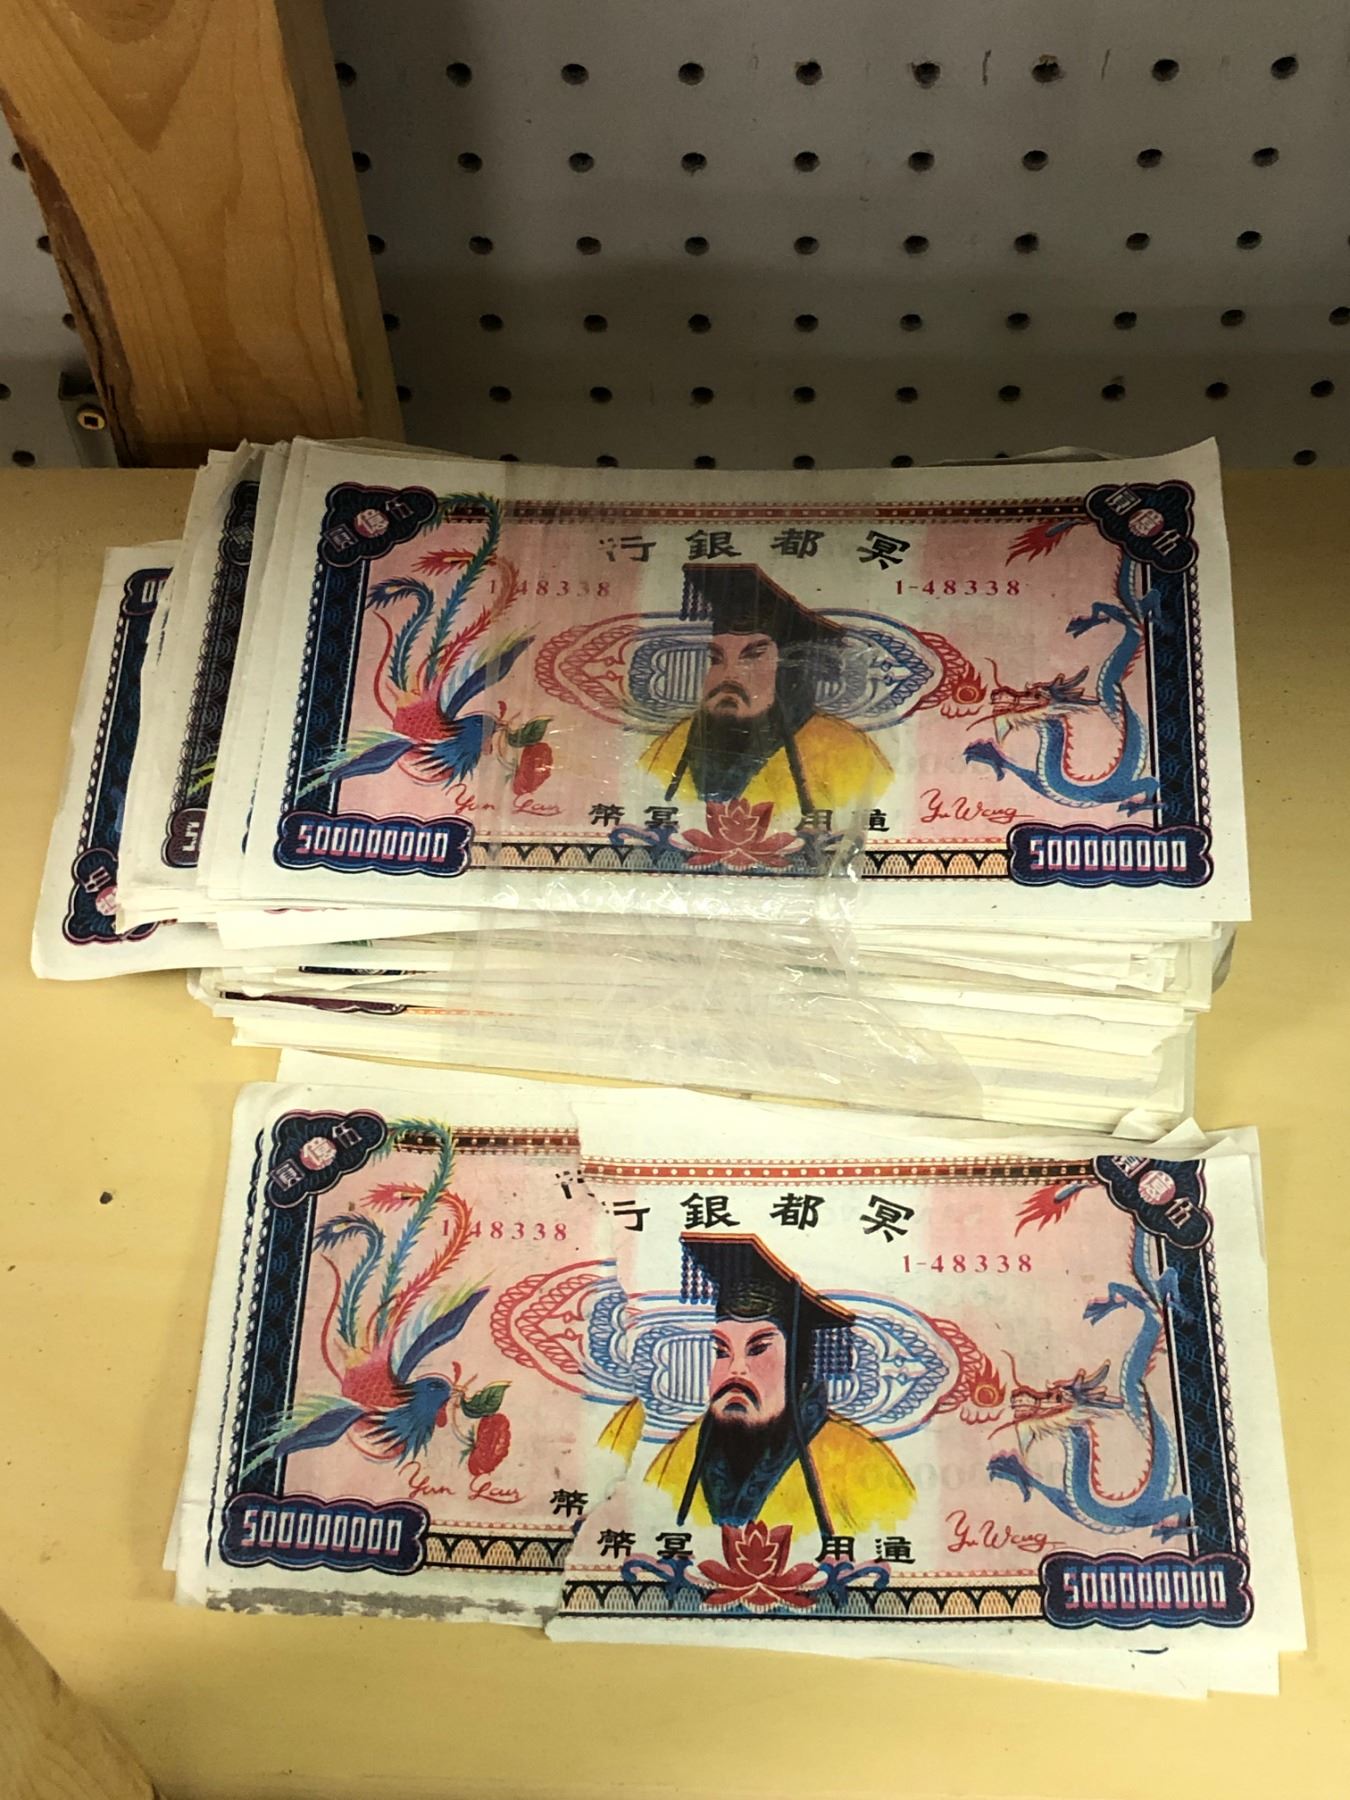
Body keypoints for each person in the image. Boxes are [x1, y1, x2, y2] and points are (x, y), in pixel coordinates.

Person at [599, 1234, 916, 1537]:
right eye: (721, 1351)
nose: (735, 1368)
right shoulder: (681, 1454)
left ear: (799, 1367)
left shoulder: (859, 1462)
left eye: (758, 1349)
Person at [639, 564, 892, 820]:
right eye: (716, 659)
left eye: (752, 657)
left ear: (787, 672)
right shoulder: (675, 743)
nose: (728, 675)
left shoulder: (844, 750)